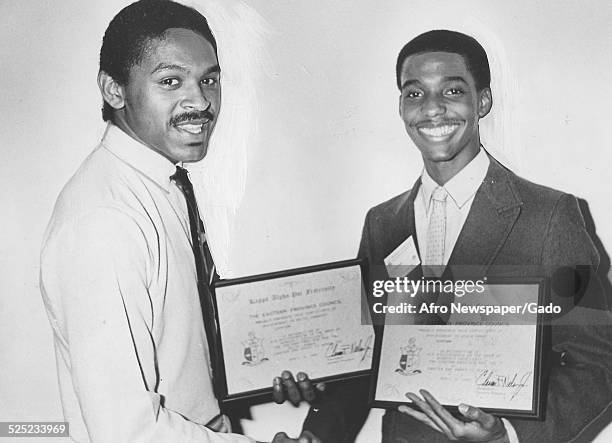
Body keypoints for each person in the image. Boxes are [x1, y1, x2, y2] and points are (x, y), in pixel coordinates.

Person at [301, 30, 612, 442]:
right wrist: (317, 434)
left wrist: (508, 434)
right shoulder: (383, 223)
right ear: (400, 106)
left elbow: (599, 362)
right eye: (414, 93)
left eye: (452, 90)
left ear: (481, 101)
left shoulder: (551, 215)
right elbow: (370, 359)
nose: (432, 109)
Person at [40, 1, 319, 442]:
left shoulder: (164, 183)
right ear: (114, 91)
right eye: (171, 81)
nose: (201, 101)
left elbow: (180, 349)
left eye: (209, 79)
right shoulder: (105, 219)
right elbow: (126, 432)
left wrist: (263, 367)